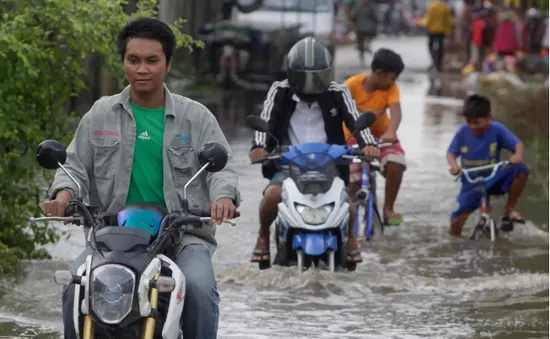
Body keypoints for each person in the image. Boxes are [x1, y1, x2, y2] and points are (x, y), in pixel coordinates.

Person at [41, 18, 240, 339]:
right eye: (134, 60)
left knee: (200, 289)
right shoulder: (100, 114)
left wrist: (223, 198)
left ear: (168, 63)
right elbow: (74, 166)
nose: (142, 69)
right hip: (111, 236)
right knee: (75, 285)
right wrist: (63, 195)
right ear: (123, 63)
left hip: (183, 236)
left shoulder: (197, 117)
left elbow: (222, 169)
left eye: (152, 61)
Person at [249, 37, 380, 265]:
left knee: (346, 203)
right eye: (304, 76)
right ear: (292, 73)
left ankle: (349, 239)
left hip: (329, 167)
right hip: (288, 167)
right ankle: (262, 235)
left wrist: (368, 144)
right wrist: (259, 147)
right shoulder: (279, 91)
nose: (311, 83)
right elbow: (265, 120)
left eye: (317, 76)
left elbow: (355, 119)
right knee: (271, 197)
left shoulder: (339, 91)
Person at [447, 94, 528, 236]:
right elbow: (451, 152)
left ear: (489, 118)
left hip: (494, 176)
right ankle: (456, 245)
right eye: (469, 122)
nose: (473, 126)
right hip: (472, 181)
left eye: (477, 123)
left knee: (521, 170)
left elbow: (517, 144)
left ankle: (509, 210)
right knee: (455, 224)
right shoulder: (462, 132)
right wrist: (454, 166)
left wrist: (518, 155)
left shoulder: (497, 129)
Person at [343, 48, 406, 227]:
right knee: (352, 183)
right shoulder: (351, 85)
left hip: (381, 136)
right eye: (391, 78)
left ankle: (388, 209)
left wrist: (391, 132)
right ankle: (346, 222)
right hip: (353, 136)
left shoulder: (391, 88)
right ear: (379, 73)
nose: (393, 82)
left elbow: (395, 112)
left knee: (396, 163)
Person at [423, 0, 453, 72]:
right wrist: (448, 30)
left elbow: (428, 19)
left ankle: (433, 62)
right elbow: (448, 20)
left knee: (430, 46)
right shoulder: (445, 7)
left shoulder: (431, 6)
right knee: (441, 48)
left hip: (432, 30)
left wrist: (426, 27)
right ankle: (438, 64)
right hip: (441, 30)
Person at [351, 0, 379, 67]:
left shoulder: (371, 6)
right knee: (361, 45)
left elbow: (376, 17)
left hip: (368, 28)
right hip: (360, 29)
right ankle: (362, 58)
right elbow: (353, 16)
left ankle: (367, 46)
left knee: (368, 38)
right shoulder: (358, 6)